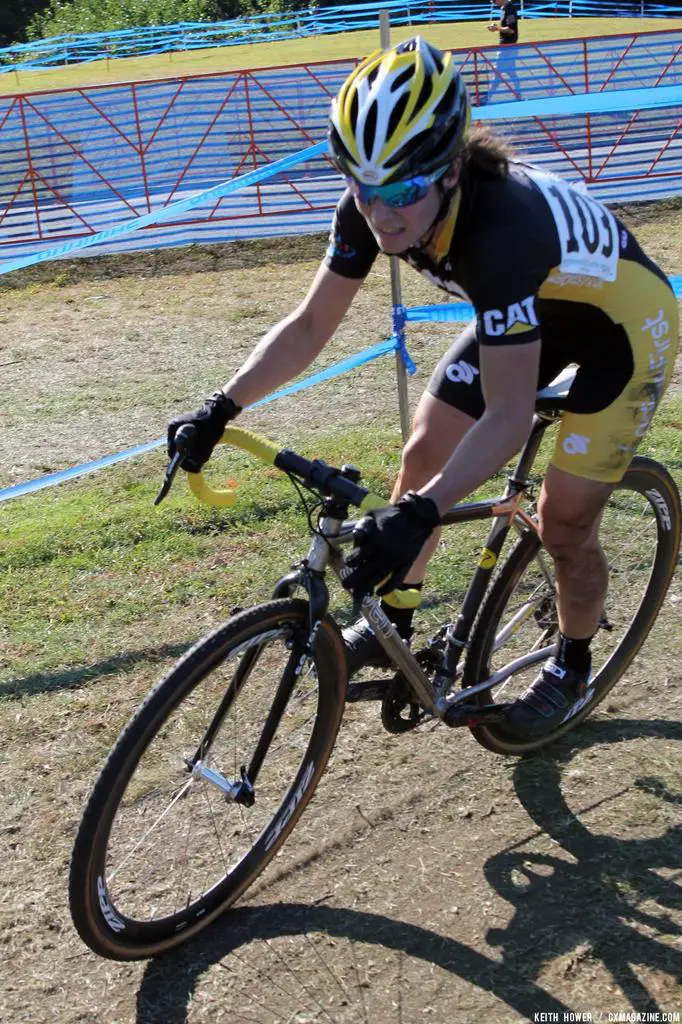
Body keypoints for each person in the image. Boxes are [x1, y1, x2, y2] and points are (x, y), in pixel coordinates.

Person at [168, 38, 678, 739]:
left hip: (621, 335)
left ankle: (573, 663)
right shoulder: (379, 201)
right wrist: (221, 408)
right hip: (533, 315)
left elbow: (505, 417)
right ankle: (394, 626)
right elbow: (313, 322)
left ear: (453, 168)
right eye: (362, 187)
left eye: (403, 191)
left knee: (563, 523)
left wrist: (426, 512)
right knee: (421, 456)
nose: (383, 214)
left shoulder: (501, 230)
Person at [485, 0, 521, 103]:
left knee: (497, 72)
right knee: (510, 71)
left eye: (494, 0)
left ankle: (487, 98)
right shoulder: (505, 8)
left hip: (507, 46)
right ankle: (518, 96)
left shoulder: (509, 8)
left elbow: (511, 30)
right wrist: (497, 27)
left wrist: (496, 28)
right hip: (509, 45)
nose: (493, 2)